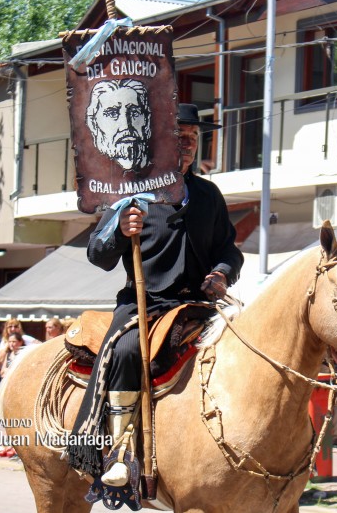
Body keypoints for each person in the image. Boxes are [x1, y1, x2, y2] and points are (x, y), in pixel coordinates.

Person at [67, 103, 244, 488]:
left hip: (201, 307)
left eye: (192, 138)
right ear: (160, 142)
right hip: (146, 305)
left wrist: (222, 273)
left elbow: (229, 250)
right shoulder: (130, 194)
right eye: (178, 137)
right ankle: (117, 449)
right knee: (128, 350)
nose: (186, 145)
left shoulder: (209, 195)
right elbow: (98, 254)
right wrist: (120, 231)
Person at [85, 78, 152, 171]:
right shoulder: (90, 174)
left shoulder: (163, 169)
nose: (126, 126)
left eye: (134, 113)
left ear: (147, 121)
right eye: (112, 114)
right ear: (93, 123)